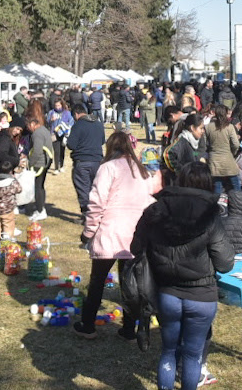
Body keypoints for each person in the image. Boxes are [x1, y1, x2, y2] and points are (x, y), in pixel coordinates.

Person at [132, 162, 233, 390]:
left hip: (168, 293)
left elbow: (135, 246)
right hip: (201, 295)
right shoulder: (212, 217)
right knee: (192, 354)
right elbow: (225, 263)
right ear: (208, 185)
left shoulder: (155, 211)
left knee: (168, 351)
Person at [74, 129, 161, 339]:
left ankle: (88, 325)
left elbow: (96, 203)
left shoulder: (108, 168)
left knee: (97, 281)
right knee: (129, 283)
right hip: (134, 234)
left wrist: (88, 232)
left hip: (112, 232)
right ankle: (129, 328)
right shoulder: (141, 171)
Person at [67, 102, 105, 215]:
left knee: (84, 190)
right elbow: (102, 141)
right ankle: (98, 213)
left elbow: (71, 145)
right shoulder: (98, 124)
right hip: (97, 161)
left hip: (82, 162)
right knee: (97, 190)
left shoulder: (78, 125)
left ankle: (87, 216)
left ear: (76, 114)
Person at [204, 104, 240, 194]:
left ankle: (217, 206)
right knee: (236, 184)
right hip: (228, 158)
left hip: (214, 159)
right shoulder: (230, 127)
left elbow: (204, 143)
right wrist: (233, 152)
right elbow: (236, 144)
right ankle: (238, 204)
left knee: (217, 185)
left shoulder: (208, 127)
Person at [0, 162, 22, 245]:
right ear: (10, 171)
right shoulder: (11, 182)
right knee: (8, 225)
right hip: (8, 208)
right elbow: (19, 189)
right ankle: (8, 243)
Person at [163, 113, 205, 178]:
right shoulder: (182, 141)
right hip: (183, 181)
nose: (203, 131)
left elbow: (194, 154)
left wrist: (199, 157)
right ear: (192, 128)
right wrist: (181, 171)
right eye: (201, 128)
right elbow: (168, 154)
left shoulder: (195, 141)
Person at [48, 98, 74, 172]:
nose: (57, 107)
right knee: (56, 151)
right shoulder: (51, 112)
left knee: (62, 150)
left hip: (63, 133)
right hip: (54, 133)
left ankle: (61, 165)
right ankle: (56, 168)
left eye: (58, 105)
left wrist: (67, 127)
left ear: (62, 105)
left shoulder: (66, 113)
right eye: (56, 105)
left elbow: (71, 121)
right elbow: (47, 122)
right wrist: (51, 120)